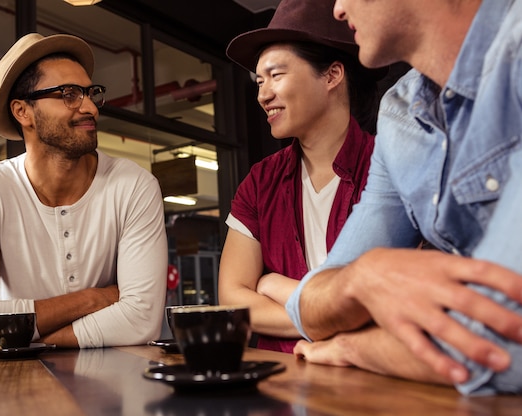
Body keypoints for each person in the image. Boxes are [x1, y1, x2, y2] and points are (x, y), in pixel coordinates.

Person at [286, 0, 522, 395]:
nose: (339, 10)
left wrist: (352, 346)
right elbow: (307, 309)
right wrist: (363, 277)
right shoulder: (399, 112)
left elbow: (502, 342)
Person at [0, 33, 168, 355]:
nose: (89, 107)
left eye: (90, 93)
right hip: (13, 392)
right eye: (69, 94)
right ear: (23, 112)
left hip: (111, 390)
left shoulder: (133, 185)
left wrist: (21, 339)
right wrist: (94, 298)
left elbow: (142, 319)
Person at [218, 0, 381, 353]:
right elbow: (232, 297)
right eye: (259, 81)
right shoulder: (261, 182)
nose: (262, 95)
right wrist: (327, 317)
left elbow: (385, 301)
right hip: (280, 387)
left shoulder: (386, 165)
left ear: (332, 75)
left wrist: (273, 284)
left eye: (276, 75)